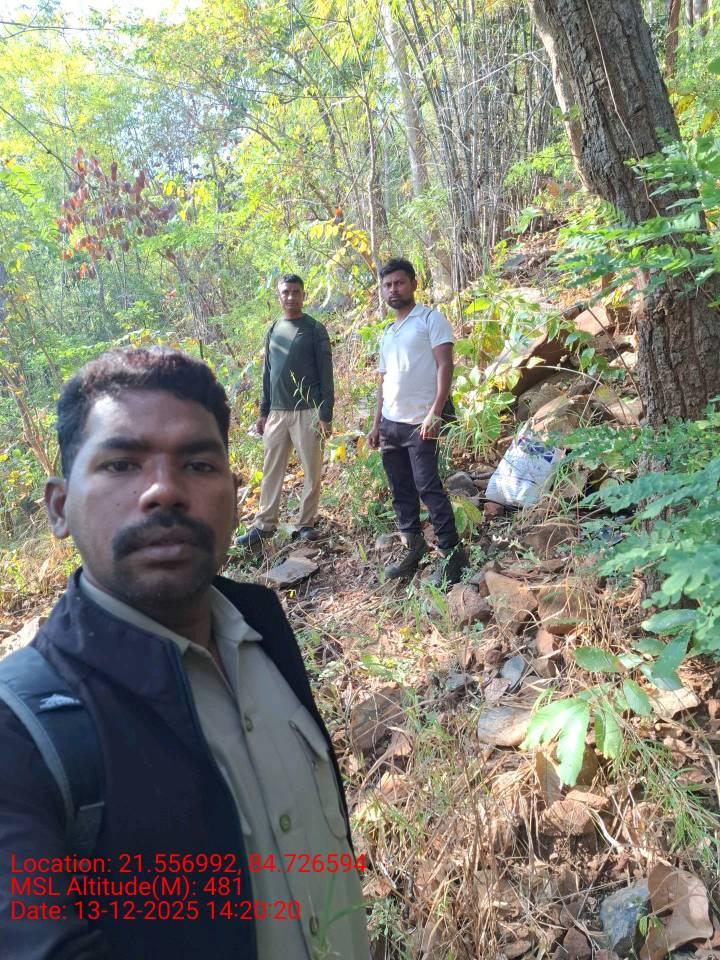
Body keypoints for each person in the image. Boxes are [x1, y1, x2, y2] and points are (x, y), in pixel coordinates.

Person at [0, 348, 369, 960]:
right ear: (59, 507)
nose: (164, 491)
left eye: (198, 464)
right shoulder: (21, 733)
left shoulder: (262, 630)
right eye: (121, 464)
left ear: (234, 493)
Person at [368, 257, 468, 585]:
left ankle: (452, 554)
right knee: (400, 489)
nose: (393, 289)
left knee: (427, 485)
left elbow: (445, 365)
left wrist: (436, 411)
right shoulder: (388, 333)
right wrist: (376, 424)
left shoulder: (429, 319)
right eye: (387, 285)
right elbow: (383, 381)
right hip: (391, 423)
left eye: (399, 283)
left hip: (420, 422)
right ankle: (414, 548)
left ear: (413, 283)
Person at [236, 274, 334, 547]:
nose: (291, 297)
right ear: (278, 296)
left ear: (304, 295)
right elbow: (268, 374)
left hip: (308, 411)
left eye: (295, 292)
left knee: (311, 470)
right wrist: (263, 411)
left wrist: (326, 413)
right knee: (271, 469)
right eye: (285, 292)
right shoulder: (273, 329)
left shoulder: (314, 329)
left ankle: (305, 524)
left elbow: (326, 374)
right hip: (277, 413)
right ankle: (264, 525)